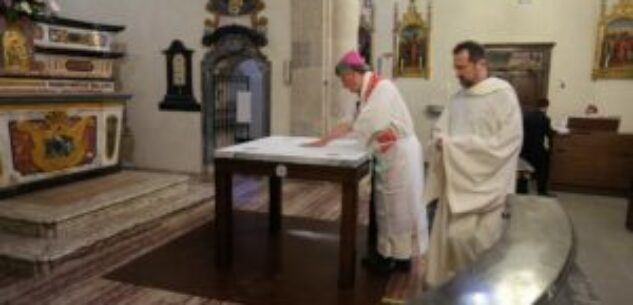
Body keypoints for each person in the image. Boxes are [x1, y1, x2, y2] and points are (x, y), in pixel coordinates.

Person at [306, 50, 429, 274]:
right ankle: (394, 256)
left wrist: (346, 145)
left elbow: (366, 124)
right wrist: (326, 139)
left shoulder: (382, 88)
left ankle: (396, 258)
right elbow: (349, 121)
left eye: (344, 81)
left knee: (400, 208)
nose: (344, 86)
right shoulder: (363, 94)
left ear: (353, 74)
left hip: (400, 154)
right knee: (388, 208)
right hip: (388, 153)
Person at [424, 41, 523, 287]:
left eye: (462, 67)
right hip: (457, 186)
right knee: (453, 240)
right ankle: (457, 290)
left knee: (482, 244)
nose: (457, 73)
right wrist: (438, 142)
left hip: (489, 187)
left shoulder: (503, 95)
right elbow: (440, 130)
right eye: (455, 68)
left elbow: (507, 143)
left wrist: (454, 147)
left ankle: (483, 290)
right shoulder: (457, 99)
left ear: (481, 64)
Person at [521, 98, 554, 196]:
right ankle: (542, 191)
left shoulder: (526, 116)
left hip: (525, 148)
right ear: (546, 106)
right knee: (543, 170)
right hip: (537, 149)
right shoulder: (545, 119)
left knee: (524, 169)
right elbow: (549, 134)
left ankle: (522, 190)